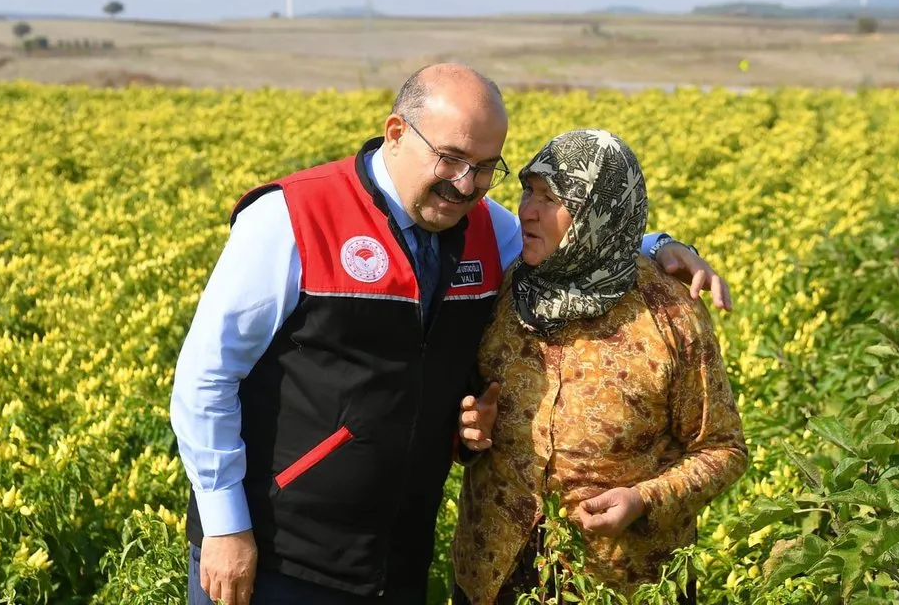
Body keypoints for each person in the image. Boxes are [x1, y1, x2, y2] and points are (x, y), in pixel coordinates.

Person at [169, 63, 732, 605]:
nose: (467, 185)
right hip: (277, 551)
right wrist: (224, 527)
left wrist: (659, 246)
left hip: (397, 556)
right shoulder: (293, 216)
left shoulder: (485, 228)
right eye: (451, 158)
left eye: (486, 167)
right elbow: (206, 377)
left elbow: (581, 238)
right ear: (396, 133)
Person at [451, 129, 749, 604]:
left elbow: (723, 450)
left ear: (597, 214)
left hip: (620, 582)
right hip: (493, 574)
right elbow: (465, 405)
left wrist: (644, 501)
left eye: (551, 198)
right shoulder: (507, 288)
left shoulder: (669, 315)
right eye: (528, 190)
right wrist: (467, 432)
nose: (527, 209)